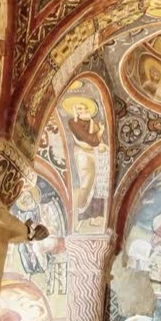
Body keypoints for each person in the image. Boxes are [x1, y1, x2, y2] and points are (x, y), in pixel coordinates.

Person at [65, 97, 109, 227]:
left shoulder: (91, 122)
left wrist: (101, 143)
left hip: (95, 154)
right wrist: (100, 132)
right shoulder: (73, 123)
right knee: (87, 182)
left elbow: (98, 142)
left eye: (84, 108)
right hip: (83, 154)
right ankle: (81, 213)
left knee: (99, 183)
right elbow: (90, 140)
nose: (82, 110)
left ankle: (96, 214)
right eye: (79, 108)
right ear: (75, 111)